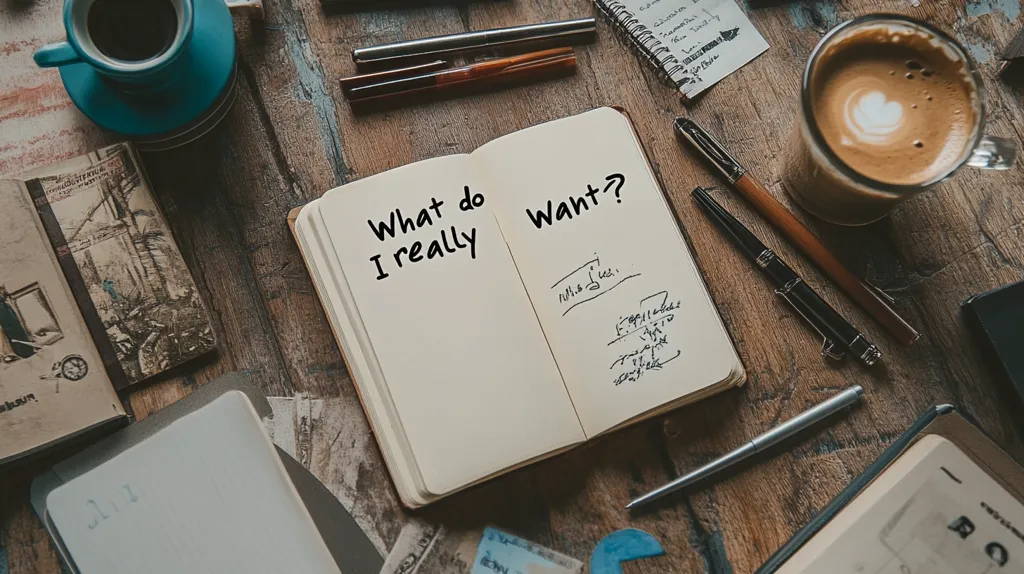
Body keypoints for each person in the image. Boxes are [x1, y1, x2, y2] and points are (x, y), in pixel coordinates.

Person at [0, 285, 35, 358]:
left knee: (15, 329)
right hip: (4, 310)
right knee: (14, 329)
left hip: (5, 309)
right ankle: (25, 350)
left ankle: (26, 350)